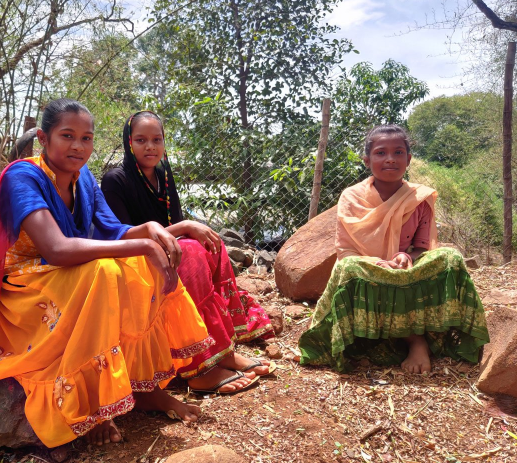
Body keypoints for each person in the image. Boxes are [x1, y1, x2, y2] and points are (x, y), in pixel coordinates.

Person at [0, 99, 215, 448]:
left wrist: (153, 229)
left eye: (87, 138)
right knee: (105, 271)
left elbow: (112, 230)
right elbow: (55, 249)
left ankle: (145, 388)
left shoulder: (83, 177)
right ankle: (91, 407)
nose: (78, 146)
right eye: (67, 136)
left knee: (142, 265)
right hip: (26, 280)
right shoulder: (22, 176)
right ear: (44, 139)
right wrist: (142, 245)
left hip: (67, 272)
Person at [101, 111, 275, 394]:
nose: (150, 147)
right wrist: (185, 227)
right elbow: (124, 237)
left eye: (157, 140)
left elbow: (173, 226)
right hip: (132, 256)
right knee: (192, 251)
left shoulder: (163, 176)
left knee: (210, 242)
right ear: (128, 143)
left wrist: (189, 229)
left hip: (164, 247)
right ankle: (198, 367)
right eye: (141, 140)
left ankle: (223, 351)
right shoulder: (115, 180)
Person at [298, 124, 489, 374]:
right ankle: (409, 340)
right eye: (380, 153)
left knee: (450, 257)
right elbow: (346, 251)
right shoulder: (352, 197)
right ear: (367, 160)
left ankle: (420, 339)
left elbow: (423, 247)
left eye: (398, 152)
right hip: (369, 271)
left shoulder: (419, 198)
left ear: (408, 159)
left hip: (405, 270)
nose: (390, 159)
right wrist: (378, 263)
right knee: (349, 266)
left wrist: (404, 257)